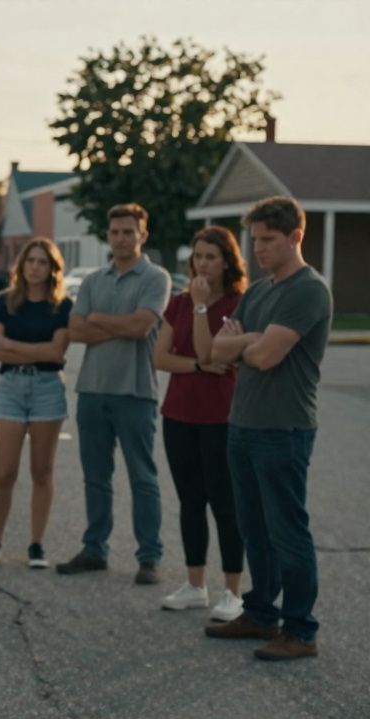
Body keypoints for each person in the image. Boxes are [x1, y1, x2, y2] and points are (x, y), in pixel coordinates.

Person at [205, 196, 331, 661]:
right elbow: (219, 353)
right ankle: (260, 614)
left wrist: (244, 343)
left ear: (296, 236)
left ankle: (300, 630)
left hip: (284, 429)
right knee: (252, 529)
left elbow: (263, 356)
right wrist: (246, 340)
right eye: (254, 239)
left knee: (287, 531)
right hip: (242, 423)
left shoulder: (308, 290)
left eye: (268, 240)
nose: (257, 248)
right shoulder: (259, 291)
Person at [57, 203, 171, 584]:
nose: (121, 238)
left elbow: (142, 327)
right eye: (115, 232)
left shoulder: (156, 278)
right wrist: (116, 324)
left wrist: (100, 320)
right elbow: (75, 332)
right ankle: (95, 549)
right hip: (91, 390)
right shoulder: (93, 281)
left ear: (143, 235)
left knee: (143, 477)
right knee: (95, 477)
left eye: (128, 232)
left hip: (135, 392)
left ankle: (149, 557)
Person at [153, 226, 248, 620]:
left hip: (222, 418)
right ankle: (195, 585)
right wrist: (198, 365)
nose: (203, 264)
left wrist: (203, 307)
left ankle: (233, 592)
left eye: (211, 256)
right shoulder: (178, 302)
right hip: (178, 415)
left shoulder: (241, 304)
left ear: (227, 261)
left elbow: (217, 352)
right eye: (198, 257)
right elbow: (161, 358)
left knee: (225, 504)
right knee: (191, 501)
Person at [0, 238, 72, 569]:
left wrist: (11, 344)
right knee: (4, 472)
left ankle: (36, 544)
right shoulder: (6, 302)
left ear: (52, 269)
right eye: (30, 260)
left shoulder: (62, 306)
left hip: (48, 388)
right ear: (21, 266)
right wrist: (33, 349)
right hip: (11, 387)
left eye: (42, 262)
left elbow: (56, 353)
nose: (35, 266)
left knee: (42, 471)